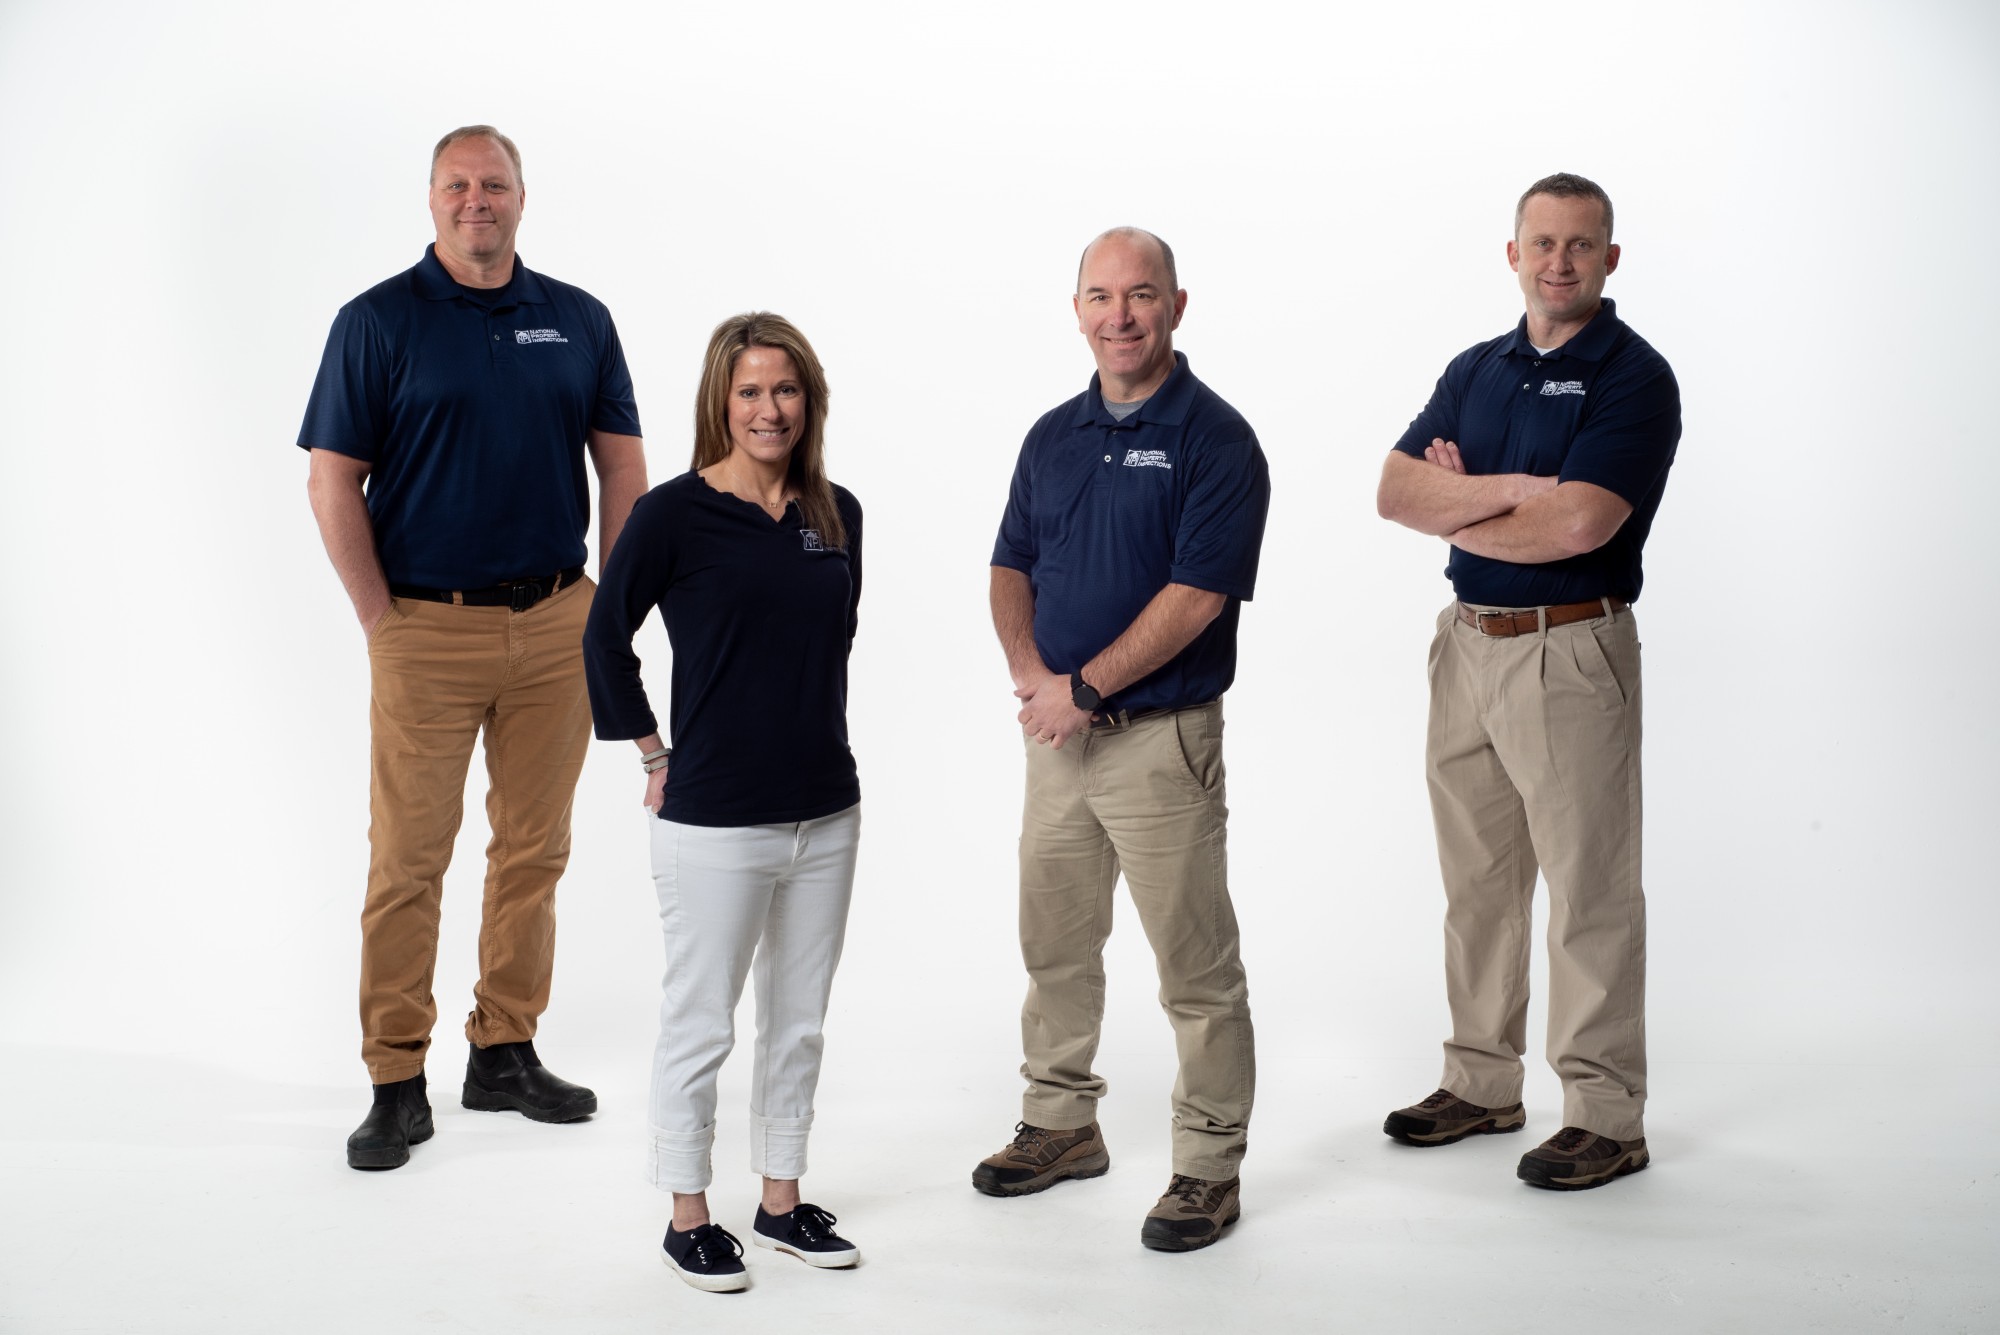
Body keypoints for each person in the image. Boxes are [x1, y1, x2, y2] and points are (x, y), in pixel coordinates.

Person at [300, 125, 648, 1171]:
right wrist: (381, 618)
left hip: (555, 623)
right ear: (432, 199)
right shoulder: (377, 322)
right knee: (408, 860)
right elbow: (331, 478)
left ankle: (503, 1050)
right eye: (456, 185)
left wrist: (608, 610)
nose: (475, 200)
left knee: (534, 851)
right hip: (424, 628)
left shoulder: (578, 319)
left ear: (521, 197)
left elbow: (622, 470)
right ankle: (394, 1077)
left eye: (493, 183)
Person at [1375, 172, 1680, 1190]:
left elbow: (1581, 523)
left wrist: (1456, 499)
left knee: (1588, 888)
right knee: (1479, 884)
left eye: (1580, 244)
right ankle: (1481, 1082)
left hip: (1569, 650)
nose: (1559, 261)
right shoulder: (1476, 369)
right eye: (1541, 242)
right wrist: (1505, 494)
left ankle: (1605, 1115)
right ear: (1512, 254)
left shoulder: (1633, 377)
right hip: (1464, 645)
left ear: (1609, 258)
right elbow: (1394, 490)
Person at [979, 228, 1271, 1252]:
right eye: (1100, 296)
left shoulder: (1217, 439)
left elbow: (1196, 597)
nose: (1120, 314)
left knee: (1194, 966)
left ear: (1176, 306)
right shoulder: (1051, 435)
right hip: (1056, 738)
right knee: (1055, 945)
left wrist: (1086, 688)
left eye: (1141, 294)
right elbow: (1010, 563)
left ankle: (1208, 1166)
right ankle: (1061, 1123)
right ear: (1076, 311)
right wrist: (1033, 674)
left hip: (1159, 741)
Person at [582, 313, 864, 1293]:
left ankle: (781, 1201)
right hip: (712, 818)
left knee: (799, 1018)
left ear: (808, 400)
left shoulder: (838, 514)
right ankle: (686, 1216)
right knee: (703, 1020)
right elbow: (603, 638)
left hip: (826, 809)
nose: (768, 409)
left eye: (784, 389)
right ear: (721, 401)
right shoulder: (672, 515)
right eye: (749, 391)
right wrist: (652, 751)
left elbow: (832, 639)